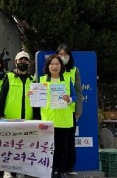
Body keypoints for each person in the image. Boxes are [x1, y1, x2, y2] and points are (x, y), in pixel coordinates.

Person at [0, 51, 35, 178]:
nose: (23, 63)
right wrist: (0, 114)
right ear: (15, 62)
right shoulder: (8, 77)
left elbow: (37, 101)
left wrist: (36, 116)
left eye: (25, 60)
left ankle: (21, 170)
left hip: (27, 119)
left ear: (29, 63)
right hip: (10, 118)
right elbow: (2, 97)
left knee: (23, 146)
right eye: (20, 60)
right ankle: (7, 170)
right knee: (8, 145)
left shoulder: (32, 80)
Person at [39, 55, 76, 178]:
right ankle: (51, 169)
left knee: (63, 148)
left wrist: (69, 99)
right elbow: (37, 100)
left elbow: (75, 97)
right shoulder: (42, 80)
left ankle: (62, 170)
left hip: (64, 120)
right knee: (50, 148)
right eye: (52, 64)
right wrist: (31, 95)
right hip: (48, 120)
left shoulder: (67, 79)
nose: (54, 67)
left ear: (61, 66)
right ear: (48, 66)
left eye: (57, 64)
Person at [55, 43, 83, 175]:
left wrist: (78, 110)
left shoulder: (74, 70)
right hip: (54, 112)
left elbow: (78, 92)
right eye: (60, 54)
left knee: (69, 141)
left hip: (69, 111)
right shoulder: (51, 69)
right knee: (56, 142)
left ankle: (69, 167)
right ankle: (56, 168)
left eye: (65, 55)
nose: (63, 57)